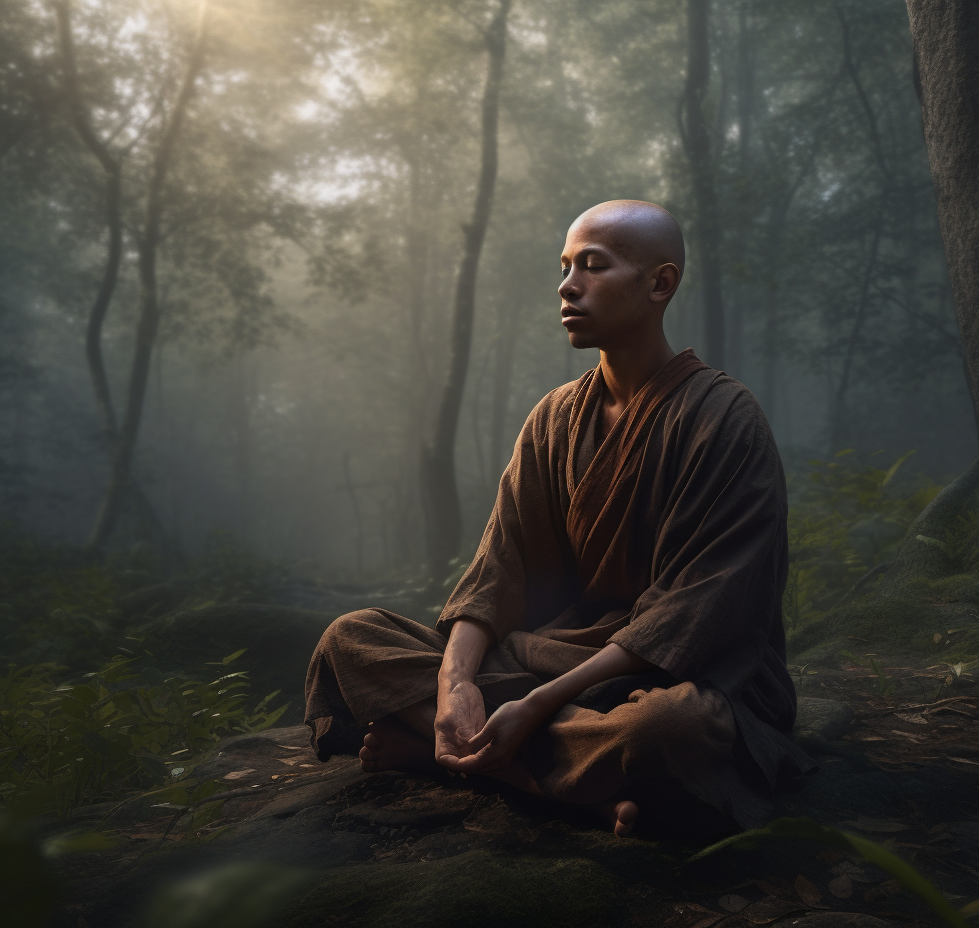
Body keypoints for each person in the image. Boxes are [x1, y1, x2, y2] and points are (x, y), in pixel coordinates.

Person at [303, 200, 813, 837]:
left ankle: (471, 758)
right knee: (351, 637)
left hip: (669, 676)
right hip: (548, 655)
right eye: (565, 267)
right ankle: (568, 787)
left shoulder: (723, 420)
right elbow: (496, 573)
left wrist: (537, 707)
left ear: (660, 283)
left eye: (592, 267)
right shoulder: (553, 419)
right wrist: (454, 686)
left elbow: (699, 613)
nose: (567, 286)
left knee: (670, 729)